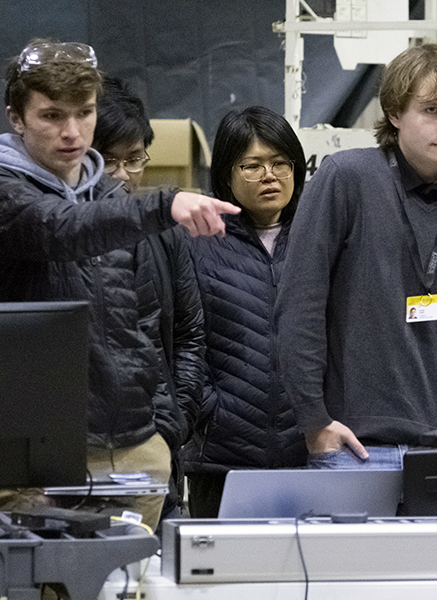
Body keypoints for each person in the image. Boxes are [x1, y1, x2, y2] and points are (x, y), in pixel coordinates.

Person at [0, 40, 239, 530]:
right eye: (52, 115)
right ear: (16, 118)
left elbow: (138, 326)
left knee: (132, 585)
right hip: (30, 459)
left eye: (85, 113)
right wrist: (165, 204)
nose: (72, 132)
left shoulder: (105, 197)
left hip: (133, 449)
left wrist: (162, 430)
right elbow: (58, 228)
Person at [278, 43, 437, 470]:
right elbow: (300, 307)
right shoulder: (346, 178)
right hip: (354, 445)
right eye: (432, 110)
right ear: (395, 113)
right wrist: (314, 421)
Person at [179, 106, 309, 517]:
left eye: (280, 163)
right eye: (252, 165)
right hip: (220, 459)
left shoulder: (320, 237)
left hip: (310, 456)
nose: (269, 176)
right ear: (226, 174)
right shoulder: (196, 243)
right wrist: (207, 410)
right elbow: (180, 339)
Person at [92, 76, 205, 523]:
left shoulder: (165, 232)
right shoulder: (55, 231)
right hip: (74, 452)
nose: (122, 174)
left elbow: (189, 333)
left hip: (153, 445)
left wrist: (173, 423)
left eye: (134, 159)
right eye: (107, 160)